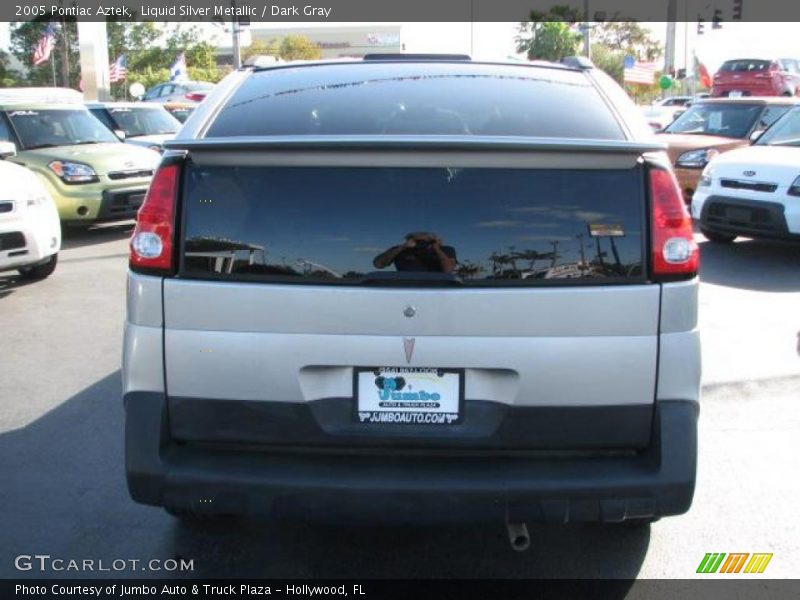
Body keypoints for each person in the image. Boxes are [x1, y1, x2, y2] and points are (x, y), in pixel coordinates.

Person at [372, 232, 457, 273]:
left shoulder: (445, 250)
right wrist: (402, 247)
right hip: (405, 287)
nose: (422, 244)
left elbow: (448, 269)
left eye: (427, 241)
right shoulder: (400, 250)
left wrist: (437, 249)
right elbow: (378, 264)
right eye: (418, 241)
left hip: (436, 288)